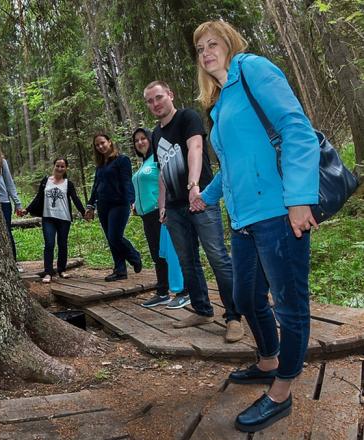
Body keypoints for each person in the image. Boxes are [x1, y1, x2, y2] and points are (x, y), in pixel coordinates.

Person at [191, 19, 319, 432]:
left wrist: (299, 197)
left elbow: (295, 128)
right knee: (245, 298)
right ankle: (268, 359)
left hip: (279, 213)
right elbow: (231, 166)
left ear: (229, 44)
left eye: (213, 43)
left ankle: (281, 392)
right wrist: (205, 197)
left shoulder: (253, 69)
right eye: (199, 48)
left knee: (290, 305)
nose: (206, 51)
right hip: (243, 220)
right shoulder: (220, 103)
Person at [143, 80, 243, 342]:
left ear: (170, 95)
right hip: (174, 208)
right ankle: (202, 309)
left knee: (217, 257)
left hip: (201, 200)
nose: (155, 104)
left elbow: (196, 148)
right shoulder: (155, 134)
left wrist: (194, 185)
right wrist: (162, 205)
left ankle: (234, 316)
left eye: (159, 97)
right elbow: (163, 171)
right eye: (150, 101)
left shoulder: (187, 117)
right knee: (187, 260)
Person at [131, 128, 185, 308]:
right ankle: (162, 291)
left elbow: (168, 181)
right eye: (136, 140)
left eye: (143, 138)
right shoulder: (145, 162)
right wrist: (136, 205)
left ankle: (183, 291)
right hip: (146, 215)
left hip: (159, 212)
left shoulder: (158, 159)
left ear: (150, 139)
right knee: (157, 254)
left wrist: (166, 207)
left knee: (170, 252)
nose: (140, 142)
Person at [84, 133, 142, 282]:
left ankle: (134, 256)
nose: (100, 146)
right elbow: (96, 186)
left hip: (119, 203)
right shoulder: (100, 166)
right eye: (97, 145)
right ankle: (120, 270)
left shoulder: (122, 160)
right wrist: (90, 205)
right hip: (103, 205)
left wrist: (131, 200)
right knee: (111, 239)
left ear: (109, 142)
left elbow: (126, 181)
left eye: (102, 143)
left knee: (114, 237)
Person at [24, 158, 87, 283]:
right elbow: (38, 198)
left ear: (66, 168)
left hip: (64, 218)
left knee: (62, 244)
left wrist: (84, 212)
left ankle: (61, 270)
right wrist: (27, 210)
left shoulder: (68, 184)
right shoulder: (46, 181)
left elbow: (75, 199)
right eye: (57, 166)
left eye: (62, 166)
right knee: (49, 244)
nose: (59, 168)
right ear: (54, 166)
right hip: (48, 218)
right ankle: (48, 272)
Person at [0, 137, 24, 264]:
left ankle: (13, 262)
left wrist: (18, 204)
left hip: (3, 203)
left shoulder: (2, 162)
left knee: (6, 231)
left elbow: (9, 183)